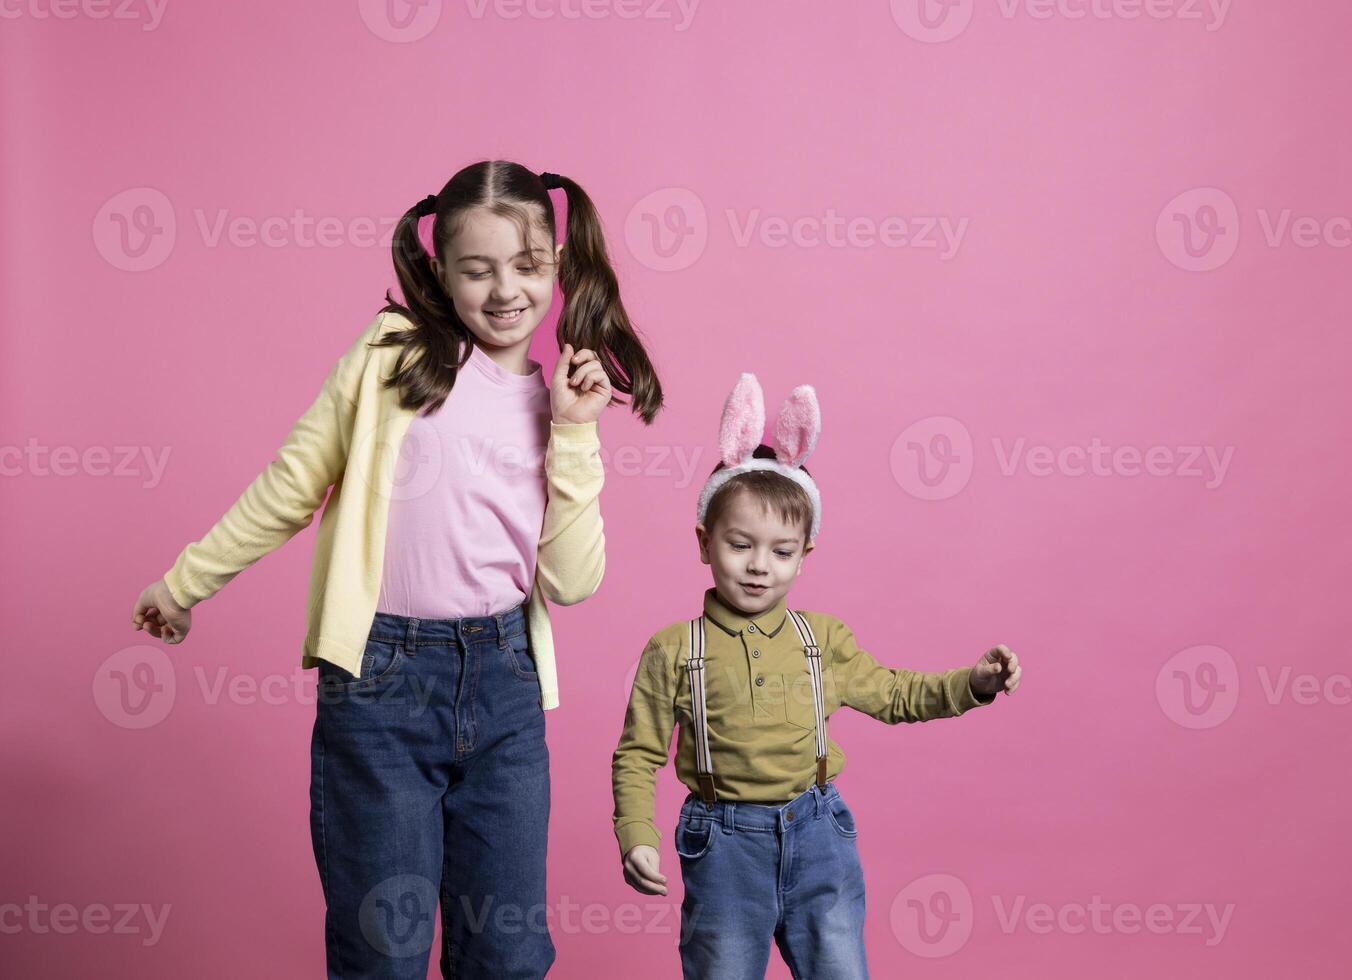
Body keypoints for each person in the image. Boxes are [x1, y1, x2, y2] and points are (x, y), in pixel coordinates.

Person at [131, 161, 664, 979]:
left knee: (509, 953)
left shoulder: (556, 401)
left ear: (556, 267)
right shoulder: (391, 358)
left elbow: (572, 581)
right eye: (476, 269)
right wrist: (184, 583)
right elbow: (292, 482)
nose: (504, 291)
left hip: (506, 686)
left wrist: (577, 433)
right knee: (384, 950)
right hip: (380, 683)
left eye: (526, 267)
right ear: (438, 269)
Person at [611, 372, 1020, 979]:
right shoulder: (673, 649)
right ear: (705, 542)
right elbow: (637, 753)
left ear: (804, 556)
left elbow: (896, 695)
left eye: (781, 551)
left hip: (818, 836)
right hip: (724, 847)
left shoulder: (821, 640)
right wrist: (636, 833)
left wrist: (973, 684)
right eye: (740, 545)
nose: (758, 566)